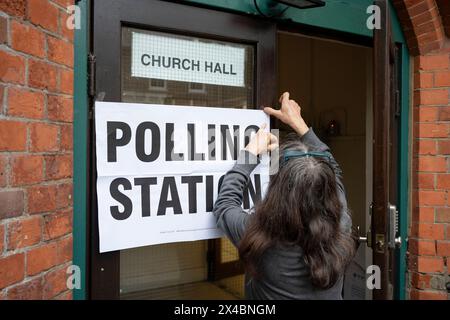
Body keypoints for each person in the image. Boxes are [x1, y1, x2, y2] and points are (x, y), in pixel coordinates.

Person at [212, 92, 355, 300]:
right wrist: (300, 125)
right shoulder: (340, 225)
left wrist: (250, 153)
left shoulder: (260, 237)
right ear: (328, 189)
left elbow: (224, 205)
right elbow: (334, 169)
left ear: (278, 190)